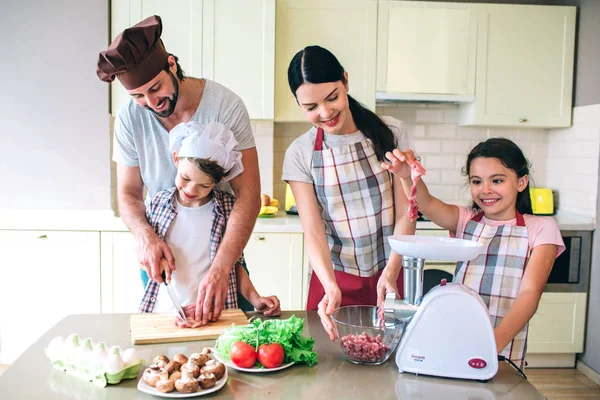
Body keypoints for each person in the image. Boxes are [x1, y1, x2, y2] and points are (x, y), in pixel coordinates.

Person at [96, 15, 261, 323]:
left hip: (220, 255)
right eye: (137, 96)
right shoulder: (130, 118)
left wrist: (221, 269)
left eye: (155, 88)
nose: (150, 102)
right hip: (162, 258)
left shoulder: (226, 106)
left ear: (171, 64)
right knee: (166, 349)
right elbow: (129, 194)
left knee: (232, 353)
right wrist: (146, 237)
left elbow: (249, 194)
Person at [383, 137, 565, 369]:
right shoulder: (466, 220)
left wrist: (491, 344)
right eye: (476, 181)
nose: (485, 190)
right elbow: (426, 203)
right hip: (458, 335)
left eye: (497, 180)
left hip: (503, 343)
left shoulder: (541, 228)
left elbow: (530, 294)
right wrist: (406, 176)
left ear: (521, 182)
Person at [282, 45, 415, 340]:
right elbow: (314, 233)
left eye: (332, 98)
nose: (325, 113)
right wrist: (330, 285)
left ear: (345, 82)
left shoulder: (390, 132)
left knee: (390, 367)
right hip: (334, 282)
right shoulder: (300, 153)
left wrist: (392, 271)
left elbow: (408, 211)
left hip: (389, 272)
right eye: (311, 107)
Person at [139, 121, 280, 318]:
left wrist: (256, 299)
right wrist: (154, 263)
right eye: (186, 178)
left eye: (204, 185)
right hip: (165, 313)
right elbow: (144, 255)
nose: (191, 190)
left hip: (215, 314)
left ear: (220, 180)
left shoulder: (227, 209)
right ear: (176, 159)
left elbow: (234, 266)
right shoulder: (157, 205)